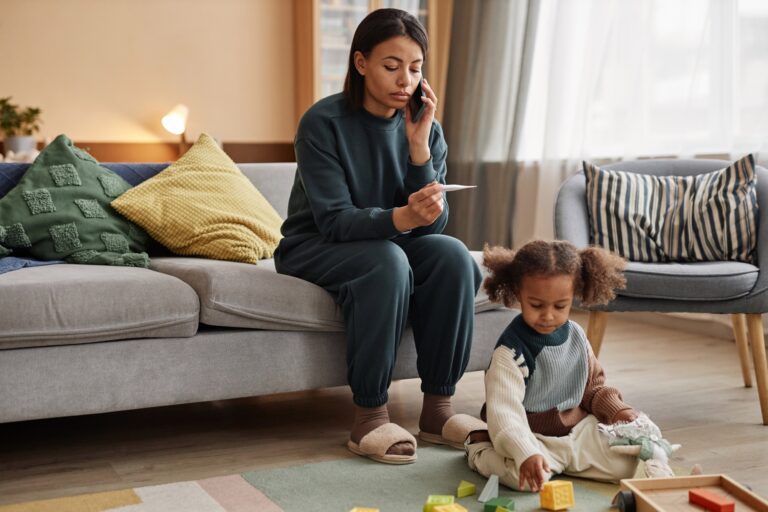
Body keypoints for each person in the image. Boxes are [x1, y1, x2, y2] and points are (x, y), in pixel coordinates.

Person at [274, 8, 485, 465]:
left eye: (415, 68)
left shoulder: (426, 126)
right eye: (391, 66)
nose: (404, 80)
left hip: (389, 242)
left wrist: (418, 148)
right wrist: (401, 218)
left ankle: (439, 410)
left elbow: (432, 227)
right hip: (315, 246)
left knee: (454, 257)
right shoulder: (322, 124)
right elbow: (333, 221)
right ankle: (370, 414)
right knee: (387, 261)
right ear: (360, 62)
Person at [466, 240, 646, 491]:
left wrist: (618, 411)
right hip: (531, 436)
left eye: (560, 306)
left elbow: (593, 389)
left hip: (576, 432)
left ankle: (562, 463)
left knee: (626, 464)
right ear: (518, 293)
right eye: (537, 305)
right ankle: (479, 449)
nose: (549, 315)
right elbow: (505, 413)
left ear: (574, 295)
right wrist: (526, 452)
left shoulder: (577, 336)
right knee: (524, 478)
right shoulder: (510, 352)